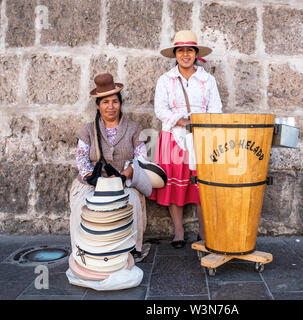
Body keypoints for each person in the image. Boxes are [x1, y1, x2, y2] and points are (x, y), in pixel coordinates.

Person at [149, 30, 223, 248]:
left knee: (203, 185)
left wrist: (201, 123)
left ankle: (203, 231)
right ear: (175, 54)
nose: (185, 54)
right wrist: (181, 122)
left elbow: (216, 108)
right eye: (180, 50)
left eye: (189, 50)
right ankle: (179, 231)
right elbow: (160, 109)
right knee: (175, 184)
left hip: (202, 137)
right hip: (173, 136)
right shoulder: (166, 80)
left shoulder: (207, 80)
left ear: (196, 53)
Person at [69, 73, 150, 263]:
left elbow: (141, 157)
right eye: (105, 102)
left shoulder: (133, 129)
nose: (111, 107)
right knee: (82, 205)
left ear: (120, 103)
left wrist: (127, 174)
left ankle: (131, 250)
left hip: (124, 181)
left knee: (132, 203)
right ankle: (83, 250)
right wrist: (90, 177)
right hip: (92, 183)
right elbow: (81, 157)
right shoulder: (88, 130)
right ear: (98, 106)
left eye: (115, 101)